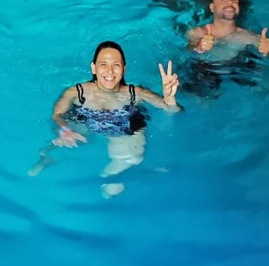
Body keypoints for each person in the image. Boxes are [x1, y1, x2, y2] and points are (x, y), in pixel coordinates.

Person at [28, 41, 182, 194]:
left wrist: (169, 98)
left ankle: (112, 175)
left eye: (116, 64)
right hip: (86, 118)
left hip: (122, 124)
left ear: (124, 69)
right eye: (103, 64)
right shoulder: (77, 92)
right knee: (69, 137)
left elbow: (173, 111)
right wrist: (64, 129)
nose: (110, 71)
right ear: (93, 68)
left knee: (134, 156)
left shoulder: (136, 93)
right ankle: (46, 158)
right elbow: (57, 115)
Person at [187, 0, 269, 58]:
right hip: (204, 70)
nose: (230, 2)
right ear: (212, 7)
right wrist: (199, 48)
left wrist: (266, 52)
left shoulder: (248, 37)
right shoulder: (198, 33)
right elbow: (187, 53)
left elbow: (267, 58)